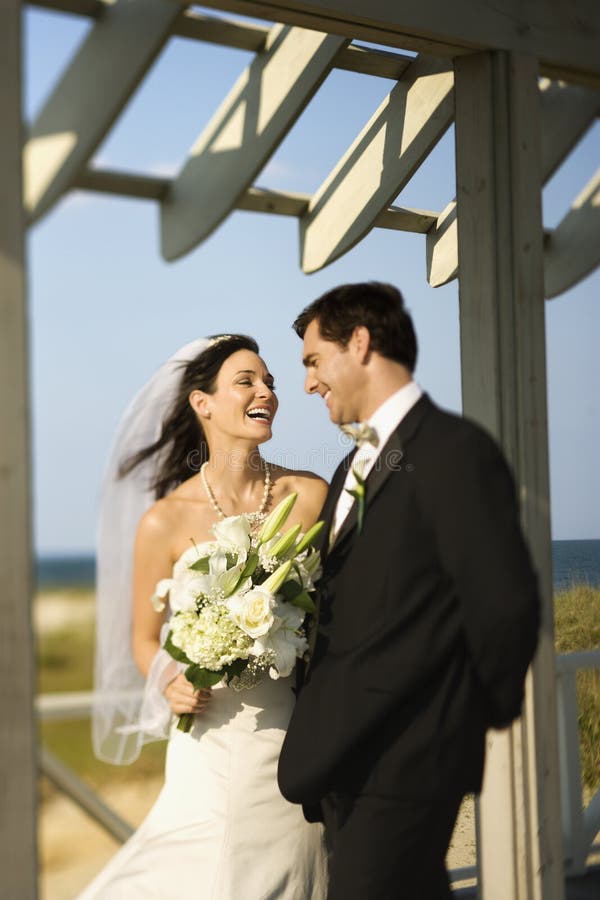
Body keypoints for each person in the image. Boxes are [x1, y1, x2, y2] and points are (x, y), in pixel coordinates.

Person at [278, 283, 540, 899]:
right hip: (342, 757)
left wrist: (449, 730)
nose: (309, 384)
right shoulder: (350, 466)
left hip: (410, 763)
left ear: (360, 343)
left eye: (314, 361)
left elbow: (505, 606)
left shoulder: (454, 450)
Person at [80, 334, 328, 900]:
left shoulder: (311, 496)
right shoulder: (163, 521)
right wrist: (168, 679)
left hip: (292, 738)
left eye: (270, 382)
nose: (266, 392)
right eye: (247, 381)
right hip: (207, 743)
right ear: (203, 403)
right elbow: (144, 640)